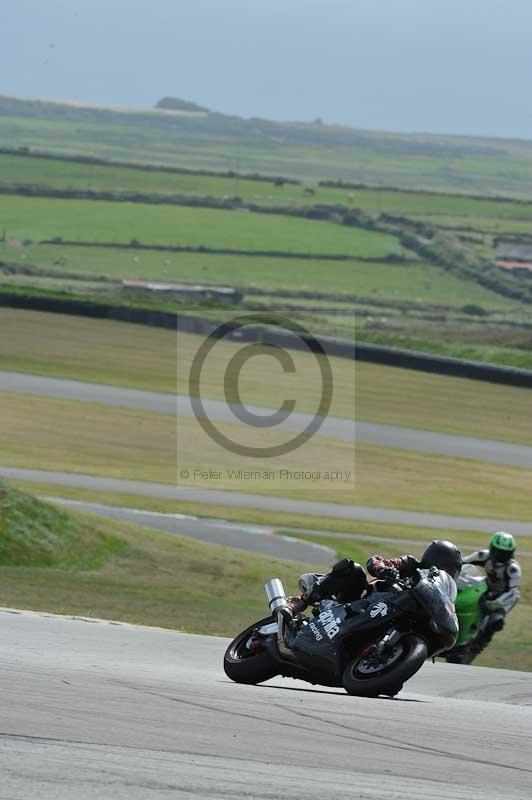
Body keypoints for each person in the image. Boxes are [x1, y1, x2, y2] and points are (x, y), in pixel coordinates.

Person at [288, 540, 462, 615]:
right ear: (433, 560)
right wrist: (383, 570)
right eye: (445, 567)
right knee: (352, 569)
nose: (446, 573)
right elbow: (376, 561)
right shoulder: (411, 565)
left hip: (395, 614)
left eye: (451, 570)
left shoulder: (443, 594)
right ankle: (299, 603)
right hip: (363, 598)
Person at [446, 532, 521, 664]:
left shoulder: (513, 569)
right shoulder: (484, 556)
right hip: (487, 587)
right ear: (492, 549)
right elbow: (462, 563)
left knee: (494, 621)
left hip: (505, 597)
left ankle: (474, 648)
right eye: (499, 552)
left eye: (506, 553)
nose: (501, 556)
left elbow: (513, 592)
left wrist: (493, 604)